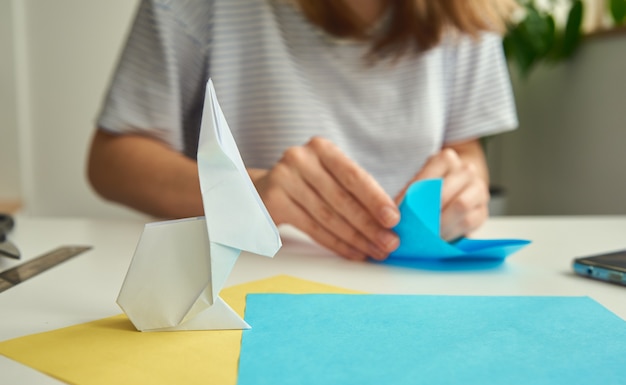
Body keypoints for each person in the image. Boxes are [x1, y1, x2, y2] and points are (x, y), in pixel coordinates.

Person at [87, 0, 519, 262]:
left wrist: (465, 188)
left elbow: (465, 151)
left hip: (414, 291)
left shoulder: (465, 15)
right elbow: (111, 161)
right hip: (250, 277)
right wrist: (246, 193)